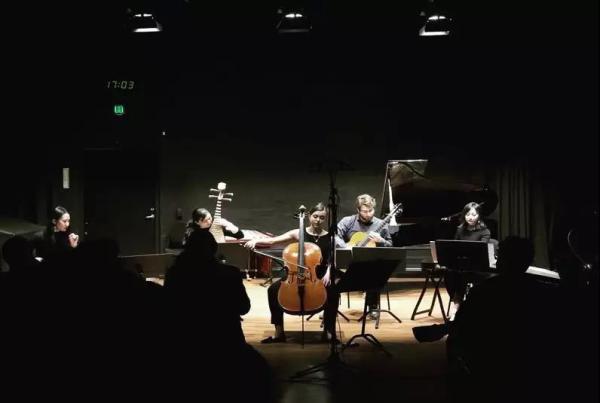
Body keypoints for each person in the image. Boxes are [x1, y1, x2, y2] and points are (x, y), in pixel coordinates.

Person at [245, 202, 338, 343]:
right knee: (272, 290)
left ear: (325, 219)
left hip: (319, 273)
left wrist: (329, 272)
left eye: (322, 217)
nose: (318, 220)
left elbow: (333, 258)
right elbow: (273, 241)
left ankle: (329, 332)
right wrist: (256, 241)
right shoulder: (298, 232)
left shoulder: (330, 236)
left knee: (333, 292)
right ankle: (279, 332)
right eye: (315, 216)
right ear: (309, 216)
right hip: (295, 273)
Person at [336, 194, 392, 319]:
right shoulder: (348, 221)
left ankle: (373, 307)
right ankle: (331, 307)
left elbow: (390, 245)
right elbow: (335, 235)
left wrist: (381, 240)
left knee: (377, 270)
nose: (368, 214)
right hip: (349, 265)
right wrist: (346, 247)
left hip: (370, 265)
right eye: (365, 211)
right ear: (358, 210)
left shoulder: (381, 224)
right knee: (331, 272)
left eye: (371, 211)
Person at [446, 202, 492, 318]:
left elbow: (481, 251)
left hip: (478, 267)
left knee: (462, 276)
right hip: (462, 265)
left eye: (474, 215)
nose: (470, 217)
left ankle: (458, 307)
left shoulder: (485, 231)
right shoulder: (460, 230)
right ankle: (456, 302)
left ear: (479, 216)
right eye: (467, 215)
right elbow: (455, 247)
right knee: (449, 273)